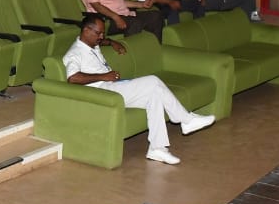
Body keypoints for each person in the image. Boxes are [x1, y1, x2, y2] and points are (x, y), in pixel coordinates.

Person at [63, 14, 215, 165]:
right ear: (86, 30)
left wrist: (112, 42)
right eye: (98, 33)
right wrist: (104, 76)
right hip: (104, 92)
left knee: (154, 96)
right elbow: (73, 78)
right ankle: (185, 119)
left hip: (113, 87)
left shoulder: (92, 43)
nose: (101, 36)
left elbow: (102, 42)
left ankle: (157, 148)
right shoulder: (74, 53)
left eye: (103, 33)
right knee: (153, 81)